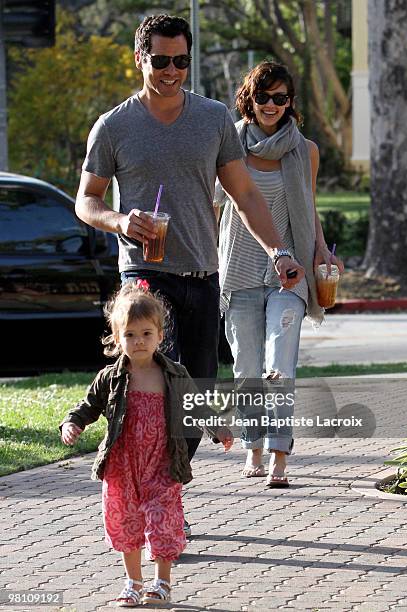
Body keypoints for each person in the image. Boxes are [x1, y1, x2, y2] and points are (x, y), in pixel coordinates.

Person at [75, 14, 304, 530]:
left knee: (195, 398)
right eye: (162, 60)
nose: (173, 70)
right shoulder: (113, 126)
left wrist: (279, 251)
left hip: (202, 271)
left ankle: (162, 491)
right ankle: (156, 506)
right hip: (144, 273)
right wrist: (118, 219)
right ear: (140, 59)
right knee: (159, 383)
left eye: (181, 60)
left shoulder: (213, 118)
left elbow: (244, 194)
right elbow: (86, 201)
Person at [59, 282, 233, 606]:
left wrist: (218, 427)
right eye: (130, 335)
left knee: (163, 518)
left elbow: (196, 403)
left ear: (160, 335)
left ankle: (162, 581)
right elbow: (88, 406)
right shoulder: (110, 377)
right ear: (116, 337)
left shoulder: (173, 374)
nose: (138, 341)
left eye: (146, 334)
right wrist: (72, 423)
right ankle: (133, 581)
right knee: (125, 521)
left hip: (162, 462)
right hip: (123, 465)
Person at [216, 61, 344, 488]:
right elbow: (212, 206)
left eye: (280, 98)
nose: (271, 105)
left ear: (290, 102)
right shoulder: (228, 141)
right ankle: (252, 446)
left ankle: (279, 456)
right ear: (249, 99)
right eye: (263, 97)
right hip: (239, 269)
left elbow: (308, 207)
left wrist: (321, 250)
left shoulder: (304, 149)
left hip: (288, 275)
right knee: (248, 367)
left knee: (280, 364)